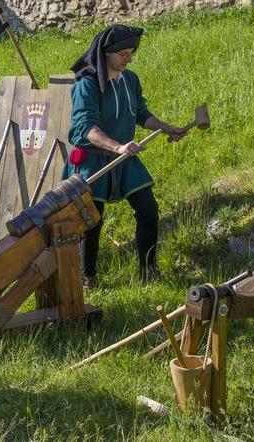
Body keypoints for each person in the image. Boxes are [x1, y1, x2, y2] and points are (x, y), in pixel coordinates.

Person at [62, 25, 187, 289]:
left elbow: (141, 113)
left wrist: (166, 127)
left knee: (148, 209)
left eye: (130, 53)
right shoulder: (88, 83)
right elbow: (86, 128)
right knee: (92, 222)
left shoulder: (130, 80)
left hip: (124, 157)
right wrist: (116, 146)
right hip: (93, 159)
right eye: (123, 53)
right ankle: (88, 278)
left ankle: (147, 269)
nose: (128, 58)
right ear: (106, 53)